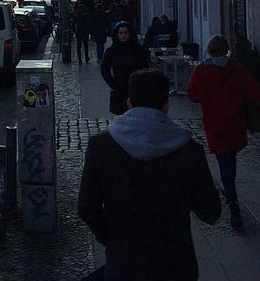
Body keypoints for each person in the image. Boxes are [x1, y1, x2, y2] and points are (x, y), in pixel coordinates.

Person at [78, 69, 221, 281]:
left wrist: (110, 238)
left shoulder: (101, 146)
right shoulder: (189, 150)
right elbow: (211, 212)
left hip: (124, 263)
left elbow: (86, 206)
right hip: (176, 265)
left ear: (129, 103)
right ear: (166, 105)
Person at [187, 34, 260, 228]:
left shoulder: (201, 71)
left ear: (209, 51)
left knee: (224, 161)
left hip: (214, 123)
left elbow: (193, 95)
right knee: (230, 160)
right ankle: (230, 194)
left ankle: (231, 199)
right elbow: (254, 91)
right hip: (235, 123)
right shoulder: (236, 69)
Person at [100, 21, 149, 114]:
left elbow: (145, 67)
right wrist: (112, 83)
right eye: (121, 33)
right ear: (117, 34)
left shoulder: (138, 50)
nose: (123, 35)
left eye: (126, 33)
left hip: (135, 88)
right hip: (119, 88)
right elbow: (105, 69)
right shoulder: (111, 51)